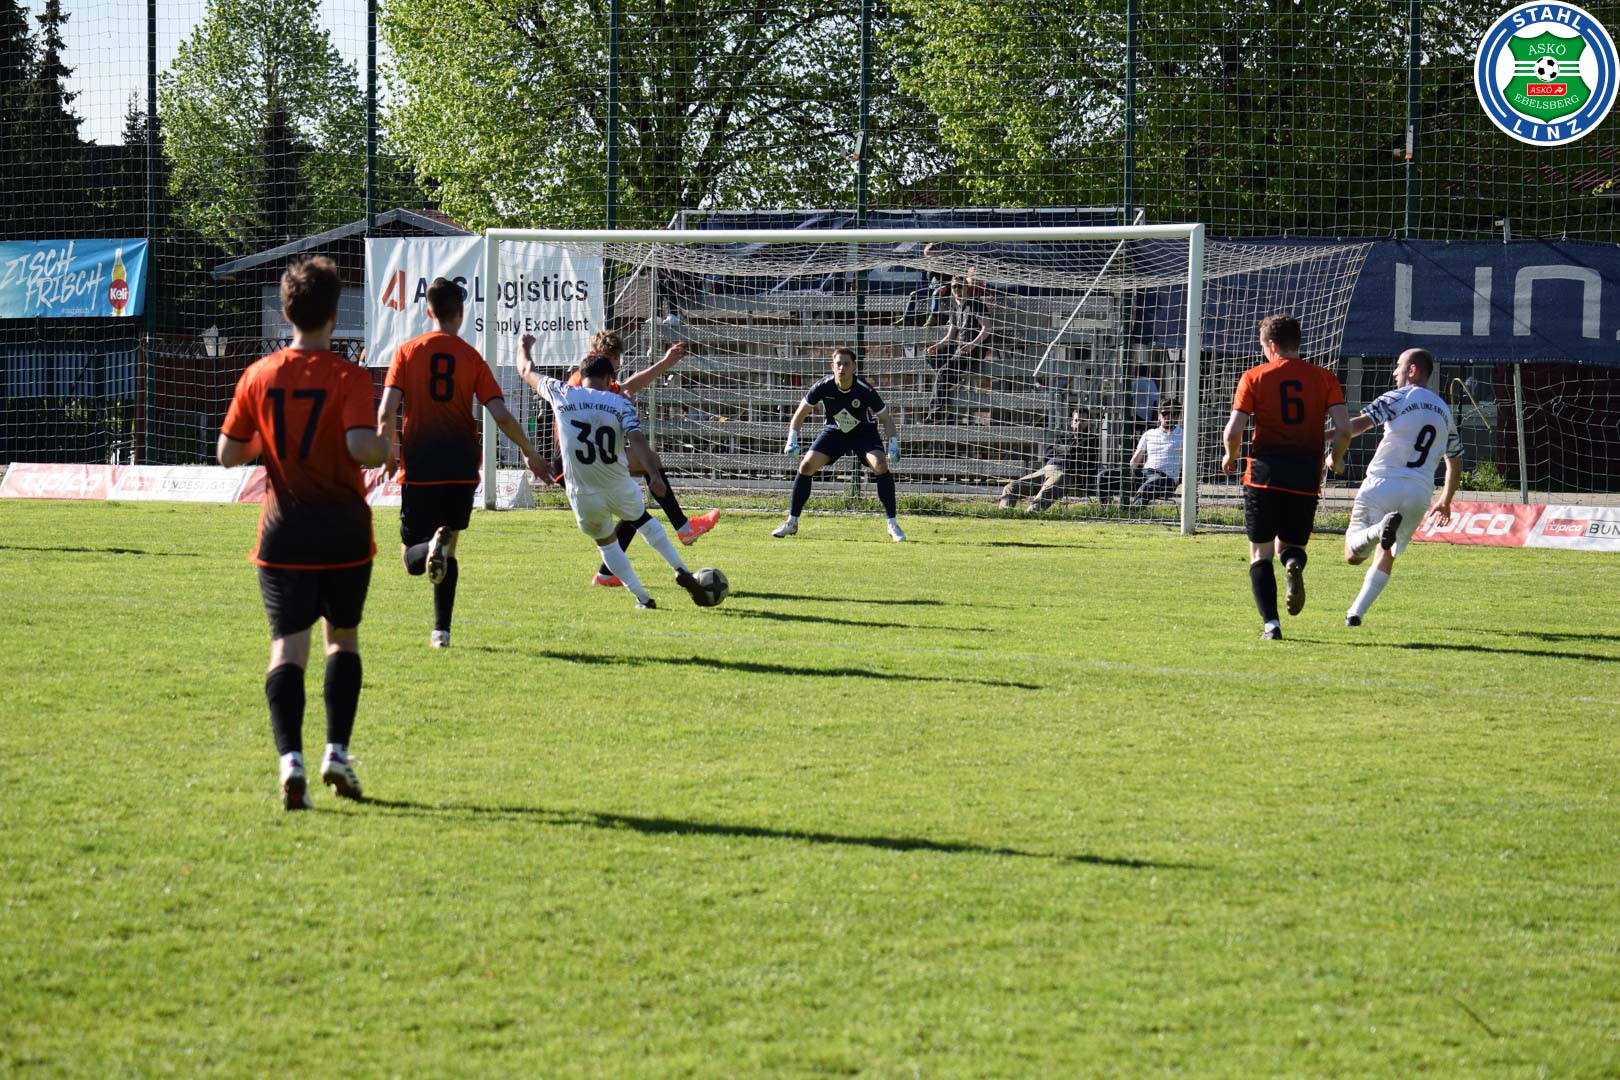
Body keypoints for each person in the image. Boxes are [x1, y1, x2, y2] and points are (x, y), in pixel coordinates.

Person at [216, 255, 390, 810]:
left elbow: (228, 454)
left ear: (287, 311)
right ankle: (336, 752)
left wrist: (268, 439)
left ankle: (289, 760)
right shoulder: (347, 375)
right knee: (342, 638)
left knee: (287, 648)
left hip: (283, 533)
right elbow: (361, 446)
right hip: (343, 532)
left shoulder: (259, 374)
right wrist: (386, 444)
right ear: (334, 314)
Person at [376, 277, 547, 649]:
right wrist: (530, 452)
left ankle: (430, 551)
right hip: (461, 467)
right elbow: (500, 414)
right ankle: (441, 632)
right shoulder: (471, 357)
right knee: (449, 549)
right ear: (462, 313)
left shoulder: (406, 352)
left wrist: (388, 448)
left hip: (420, 465)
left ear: (429, 312)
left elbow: (386, 411)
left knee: (411, 558)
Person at [521, 330, 720, 586]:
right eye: (615, 361)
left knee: (631, 502)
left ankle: (607, 573)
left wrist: (665, 363)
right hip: (575, 464)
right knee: (646, 468)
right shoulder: (583, 382)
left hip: (584, 459)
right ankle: (683, 528)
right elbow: (623, 394)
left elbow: (626, 388)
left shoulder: (591, 381)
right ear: (604, 357)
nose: (617, 368)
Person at [1221, 314, 1351, 640]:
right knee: (1291, 545)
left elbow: (1233, 431)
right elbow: (1345, 429)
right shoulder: (1325, 378)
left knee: (1260, 554)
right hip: (1306, 476)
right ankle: (1293, 563)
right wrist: (1335, 458)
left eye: (1263, 347)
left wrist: (1230, 456)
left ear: (1272, 345)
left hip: (1263, 476)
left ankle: (1272, 625)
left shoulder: (1254, 376)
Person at [1340, 348, 1463, 626]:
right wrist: (1445, 500)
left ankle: (1377, 529)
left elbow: (1358, 426)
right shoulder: (1444, 411)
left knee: (1352, 555)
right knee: (1387, 553)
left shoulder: (1398, 396)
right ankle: (1355, 614)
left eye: (1398, 365)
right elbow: (1455, 461)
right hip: (1419, 494)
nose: (1394, 372)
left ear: (1412, 370)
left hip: (1383, 483)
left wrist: (1317, 436)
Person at [773, 347, 905, 542]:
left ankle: (892, 524)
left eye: (846, 364)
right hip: (835, 432)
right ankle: (792, 522)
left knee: (880, 466)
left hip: (864, 433)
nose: (842, 368)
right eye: (838, 364)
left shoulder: (864, 389)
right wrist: (792, 439)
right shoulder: (823, 386)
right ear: (832, 366)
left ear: (854, 367)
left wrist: (893, 443)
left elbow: (886, 419)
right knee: (806, 466)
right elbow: (800, 413)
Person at [921, 277, 991, 424]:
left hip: (973, 350)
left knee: (943, 373)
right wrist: (936, 346)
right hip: (960, 348)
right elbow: (950, 336)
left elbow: (987, 328)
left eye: (960, 286)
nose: (957, 289)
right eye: (954, 287)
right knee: (929, 355)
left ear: (966, 288)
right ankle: (952, 379)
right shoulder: (955, 308)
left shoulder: (975, 304)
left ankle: (935, 416)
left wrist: (972, 344)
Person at [1094, 399, 1184, 506]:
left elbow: (1188, 463)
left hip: (1166, 478)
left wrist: (1181, 480)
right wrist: (1130, 470)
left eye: (1173, 414)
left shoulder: (1183, 435)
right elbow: (1137, 457)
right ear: (1159, 416)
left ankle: (1133, 513)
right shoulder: (1149, 434)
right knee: (1104, 476)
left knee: (1148, 485)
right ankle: (1105, 509)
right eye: (1165, 413)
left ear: (1177, 416)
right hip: (1145, 473)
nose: (1168, 417)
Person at [999, 407, 1089, 513]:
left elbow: (1084, 462)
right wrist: (1070, 451)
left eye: (1083, 421)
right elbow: (1048, 452)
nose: (1079, 424)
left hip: (1064, 472)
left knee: (1050, 488)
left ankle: (1031, 513)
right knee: (1011, 487)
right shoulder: (1063, 437)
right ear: (1071, 423)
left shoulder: (1091, 441)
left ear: (1088, 423)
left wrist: (1064, 450)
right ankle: (1004, 514)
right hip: (1047, 469)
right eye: (1076, 420)